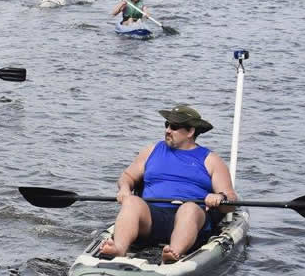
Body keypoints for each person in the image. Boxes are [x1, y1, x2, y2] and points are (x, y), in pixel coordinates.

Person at [98, 105, 238, 264]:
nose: (168, 130)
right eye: (167, 125)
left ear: (191, 132)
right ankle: (118, 249)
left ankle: (174, 253)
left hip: (191, 220)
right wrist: (124, 188)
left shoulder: (211, 160)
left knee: (189, 208)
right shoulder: (152, 150)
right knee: (131, 201)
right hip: (152, 218)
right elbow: (127, 176)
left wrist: (219, 197)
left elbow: (231, 201)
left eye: (174, 127)